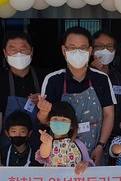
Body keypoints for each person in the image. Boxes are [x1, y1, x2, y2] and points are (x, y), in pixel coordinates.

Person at [38, 27, 116, 165]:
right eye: (72, 48)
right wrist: (43, 112)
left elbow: (109, 115)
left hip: (94, 153)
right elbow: (44, 120)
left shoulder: (102, 79)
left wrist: (101, 145)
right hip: (61, 157)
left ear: (90, 51)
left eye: (83, 48)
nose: (78, 52)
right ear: (64, 50)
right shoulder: (53, 80)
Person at [0, 31, 46, 151]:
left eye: (23, 49)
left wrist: (44, 101)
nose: (18, 54)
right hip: (8, 145)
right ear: (5, 53)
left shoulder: (45, 78)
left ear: (31, 51)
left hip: (41, 145)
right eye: (13, 50)